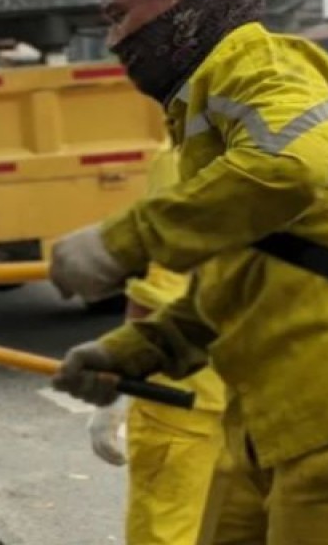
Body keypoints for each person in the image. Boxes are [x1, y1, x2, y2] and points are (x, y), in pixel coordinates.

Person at [47, 0, 328, 543]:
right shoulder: (201, 115)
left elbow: (289, 167)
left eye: (121, 1)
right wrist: (130, 353)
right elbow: (239, 284)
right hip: (271, 415)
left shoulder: (261, 61)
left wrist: (123, 241)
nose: (109, 25)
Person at [84, 147, 227, 545]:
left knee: (168, 530)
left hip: (187, 398)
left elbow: (161, 283)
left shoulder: (189, 153)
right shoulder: (323, 147)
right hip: (285, 399)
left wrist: (116, 385)